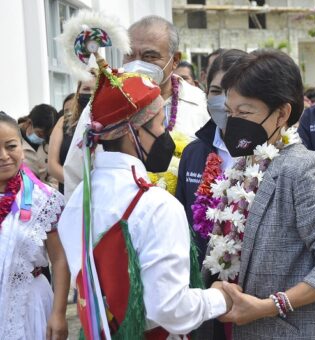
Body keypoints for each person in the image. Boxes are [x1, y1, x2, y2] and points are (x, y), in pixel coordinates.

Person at [58, 53, 232, 339]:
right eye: (161, 124)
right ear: (133, 132)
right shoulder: (155, 205)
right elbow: (169, 308)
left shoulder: (79, 200)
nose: (167, 134)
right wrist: (220, 298)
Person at [200, 50, 315, 339]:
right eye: (230, 112)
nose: (233, 122)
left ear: (282, 113)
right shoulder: (243, 164)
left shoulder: (304, 169)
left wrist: (268, 306)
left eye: (245, 112)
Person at [63, 15, 210, 201]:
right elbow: (77, 171)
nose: (138, 63)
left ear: (175, 60)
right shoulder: (102, 104)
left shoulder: (200, 105)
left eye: (150, 56)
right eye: (130, 54)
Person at [0, 111, 70, 339]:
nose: (3, 156)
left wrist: (59, 314)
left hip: (29, 306)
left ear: (22, 146)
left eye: (11, 146)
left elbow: (59, 259)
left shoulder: (42, 198)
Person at [176, 49, 247, 267]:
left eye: (232, 91)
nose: (224, 101)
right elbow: (183, 222)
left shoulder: (269, 153)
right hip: (201, 275)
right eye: (216, 91)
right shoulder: (193, 153)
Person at [48, 77, 96, 194]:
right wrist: (79, 185)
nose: (90, 94)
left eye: (95, 90)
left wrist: (93, 187)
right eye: (86, 89)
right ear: (78, 93)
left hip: (98, 192)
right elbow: (52, 165)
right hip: (69, 193)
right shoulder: (64, 122)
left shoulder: (111, 124)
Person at [18, 103, 58, 188]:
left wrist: (45, 189)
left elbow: (55, 178)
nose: (43, 138)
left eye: (46, 136)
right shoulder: (12, 138)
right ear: (29, 123)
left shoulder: (50, 143)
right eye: (40, 134)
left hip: (44, 195)